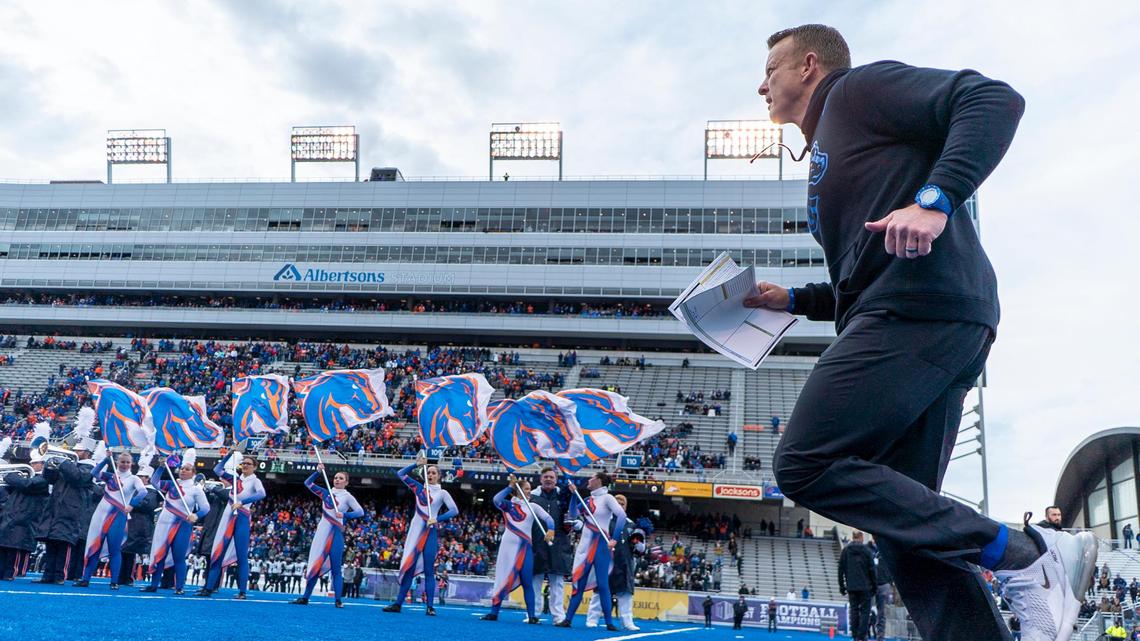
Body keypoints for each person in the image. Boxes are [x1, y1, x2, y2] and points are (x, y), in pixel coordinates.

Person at [749, 23, 1095, 641]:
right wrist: (796, 298)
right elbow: (866, 273)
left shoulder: (857, 91)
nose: (761, 84)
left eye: (770, 69)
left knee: (804, 462)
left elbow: (994, 100)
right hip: (923, 312)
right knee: (906, 535)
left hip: (922, 311)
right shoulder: (834, 145)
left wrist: (936, 199)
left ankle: (1024, 553)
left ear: (806, 66)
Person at [384, 455, 458, 615]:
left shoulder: (443, 493)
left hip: (430, 532)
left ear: (439, 476)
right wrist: (416, 464)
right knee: (409, 569)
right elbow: (401, 474)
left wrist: (437, 519)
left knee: (429, 570)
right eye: (429, 472)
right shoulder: (419, 488)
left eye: (433, 473)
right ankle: (398, 604)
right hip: (415, 532)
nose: (430, 475)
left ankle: (430, 607)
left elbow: (454, 510)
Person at [556, 471, 627, 630]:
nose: (589, 480)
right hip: (585, 546)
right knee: (579, 583)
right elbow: (573, 514)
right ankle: (568, 619)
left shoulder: (607, 498)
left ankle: (609, 622)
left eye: (592, 478)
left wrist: (614, 538)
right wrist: (574, 495)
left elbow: (621, 516)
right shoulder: (587, 500)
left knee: (603, 585)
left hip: (601, 544)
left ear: (600, 481)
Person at [481, 476, 554, 623]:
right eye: (526, 488)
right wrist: (510, 486)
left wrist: (551, 529)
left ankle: (532, 616)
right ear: (518, 491)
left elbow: (548, 518)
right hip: (507, 548)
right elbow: (496, 500)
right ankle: (494, 613)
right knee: (502, 578)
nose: (529, 491)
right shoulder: (508, 505)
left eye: (529, 489)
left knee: (527, 581)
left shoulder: (533, 507)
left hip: (525, 547)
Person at [291, 465, 364, 608]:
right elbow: (308, 483)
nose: (337, 480)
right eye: (336, 478)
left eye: (341, 478)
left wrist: (345, 515)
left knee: (336, 568)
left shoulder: (347, 497)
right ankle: (305, 597)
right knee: (315, 565)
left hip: (335, 532)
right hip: (322, 531)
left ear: (346, 482)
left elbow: (360, 512)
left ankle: (338, 600)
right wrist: (317, 472)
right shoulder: (326, 493)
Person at [197, 452, 266, 599]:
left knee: (241, 556)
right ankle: (208, 588)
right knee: (218, 552)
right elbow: (217, 469)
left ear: (254, 467)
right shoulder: (235, 479)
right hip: (228, 518)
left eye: (248, 464)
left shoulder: (255, 481)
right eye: (244, 463)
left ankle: (242, 591)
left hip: (241, 518)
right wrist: (230, 453)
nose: (245, 465)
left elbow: (261, 494)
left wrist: (242, 502)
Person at [74, 452, 147, 589]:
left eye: (127, 462)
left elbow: (143, 492)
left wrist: (132, 505)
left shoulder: (134, 479)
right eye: (122, 462)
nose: (125, 464)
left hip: (118, 515)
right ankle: (85, 579)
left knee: (115, 548)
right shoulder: (110, 476)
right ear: (117, 462)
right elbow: (95, 472)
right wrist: (106, 460)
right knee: (95, 546)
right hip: (100, 514)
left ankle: (114, 581)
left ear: (132, 464)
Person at [141, 454, 210, 594]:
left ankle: (179, 587)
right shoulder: (172, 484)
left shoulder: (196, 489)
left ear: (193, 473)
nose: (184, 470)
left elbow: (206, 508)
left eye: (188, 469)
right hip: (164, 524)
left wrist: (196, 515)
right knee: (160, 554)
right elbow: (155, 482)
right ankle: (154, 585)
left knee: (178, 556)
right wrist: (160, 468)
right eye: (182, 468)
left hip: (182, 525)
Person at [37, 438, 96, 584]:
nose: (75, 452)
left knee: (64, 544)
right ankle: (47, 574)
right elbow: (49, 479)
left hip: (71, 510)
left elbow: (78, 477)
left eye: (79, 450)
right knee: (51, 543)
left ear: (87, 453)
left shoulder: (89, 468)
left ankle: (59, 575)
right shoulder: (69, 466)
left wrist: (63, 463)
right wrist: (49, 467)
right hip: (55, 508)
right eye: (75, 450)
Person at [585, 494, 644, 631]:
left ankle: (627, 622)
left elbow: (639, 548)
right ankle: (592, 619)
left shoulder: (632, 524)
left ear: (626, 506)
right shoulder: (604, 521)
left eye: (623, 503)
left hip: (624, 563)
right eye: (617, 503)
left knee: (625, 594)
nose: (620, 505)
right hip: (606, 561)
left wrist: (640, 545)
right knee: (600, 591)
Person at [530, 466, 573, 624]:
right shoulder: (532, 497)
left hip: (559, 542)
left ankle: (558, 616)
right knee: (536, 579)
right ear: (541, 479)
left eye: (552, 477)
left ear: (556, 480)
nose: (548, 479)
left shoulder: (564, 496)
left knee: (557, 581)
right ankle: (533, 613)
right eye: (546, 477)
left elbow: (573, 514)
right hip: (537, 542)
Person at [0, 450, 49, 579]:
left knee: (14, 550)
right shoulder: (26, 478)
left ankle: (10, 574)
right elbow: (8, 489)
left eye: (36, 463)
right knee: (4, 548)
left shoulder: (43, 480)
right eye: (32, 463)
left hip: (24, 519)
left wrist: (9, 475)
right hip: (11, 518)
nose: (32, 465)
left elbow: (26, 485)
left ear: (43, 464)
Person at [118, 463, 160, 586]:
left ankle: (128, 577)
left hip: (141, 525)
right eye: (139, 476)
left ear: (148, 478)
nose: (140, 478)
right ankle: (120, 576)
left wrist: (130, 503)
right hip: (129, 522)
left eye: (143, 476)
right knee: (122, 550)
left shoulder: (152, 492)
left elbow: (147, 504)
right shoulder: (133, 488)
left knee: (131, 552)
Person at [839, 532, 876, 641]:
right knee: (865, 611)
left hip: (851, 587)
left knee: (854, 610)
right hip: (865, 587)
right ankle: (862, 636)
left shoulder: (846, 551)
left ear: (852, 537)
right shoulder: (867, 551)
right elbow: (872, 570)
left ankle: (855, 635)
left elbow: (840, 570)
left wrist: (842, 586)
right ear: (861, 537)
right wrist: (874, 586)